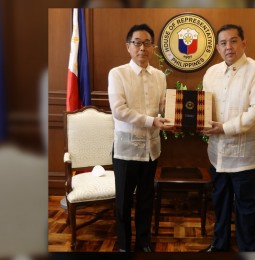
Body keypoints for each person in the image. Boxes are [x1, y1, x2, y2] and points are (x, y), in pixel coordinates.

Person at [200, 24, 255, 252]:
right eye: (223, 43)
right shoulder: (211, 72)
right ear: (218, 48)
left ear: (244, 43)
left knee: (245, 206)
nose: (228, 47)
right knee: (220, 203)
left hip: (245, 155)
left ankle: (246, 248)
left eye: (233, 41)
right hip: (217, 154)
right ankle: (219, 245)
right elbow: (205, 106)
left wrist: (225, 128)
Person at [108, 23, 173, 252]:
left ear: (153, 47)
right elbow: (119, 110)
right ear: (128, 46)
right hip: (126, 150)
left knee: (146, 200)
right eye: (137, 42)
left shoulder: (159, 77)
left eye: (147, 43)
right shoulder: (117, 74)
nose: (142, 48)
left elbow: (163, 105)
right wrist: (151, 121)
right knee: (123, 202)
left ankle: (143, 242)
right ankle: (124, 245)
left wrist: (173, 116)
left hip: (151, 149)